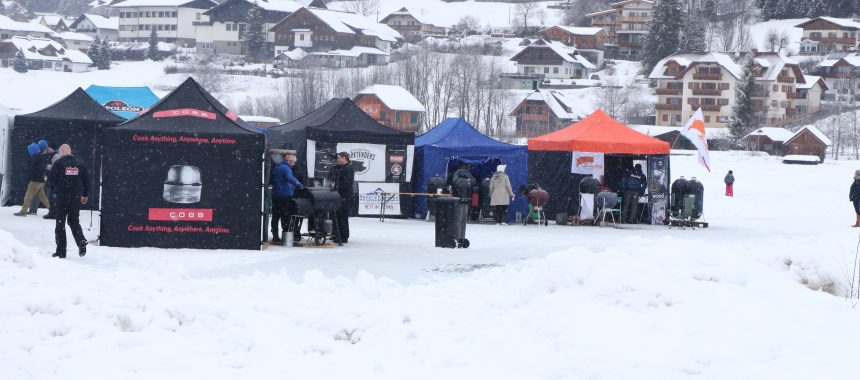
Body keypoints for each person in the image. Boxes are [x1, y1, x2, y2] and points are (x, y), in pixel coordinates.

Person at [48, 144, 88, 258]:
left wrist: (54, 190)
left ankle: (61, 251)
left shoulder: (58, 163)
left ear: (61, 151)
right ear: (70, 152)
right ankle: (81, 240)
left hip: (62, 197)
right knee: (74, 221)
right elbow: (86, 180)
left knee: (60, 223)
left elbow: (51, 180)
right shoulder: (79, 163)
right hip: (75, 198)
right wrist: (85, 195)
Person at [271, 153, 304, 245]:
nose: (294, 164)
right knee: (285, 216)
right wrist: (300, 185)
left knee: (275, 216)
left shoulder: (278, 167)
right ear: (289, 161)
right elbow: (291, 179)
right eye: (294, 162)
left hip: (276, 195)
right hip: (284, 196)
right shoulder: (285, 168)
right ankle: (285, 236)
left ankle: (275, 235)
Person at [15, 140, 52, 216]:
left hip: (35, 180)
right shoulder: (41, 157)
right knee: (43, 197)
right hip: (40, 180)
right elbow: (42, 168)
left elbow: (33, 169)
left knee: (28, 196)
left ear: (32, 151)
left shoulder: (36, 157)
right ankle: (53, 210)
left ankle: (23, 212)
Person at [330, 152, 355, 243]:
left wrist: (336, 185)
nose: (337, 160)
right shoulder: (342, 168)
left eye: (339, 158)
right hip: (341, 196)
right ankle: (338, 234)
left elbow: (348, 183)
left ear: (345, 158)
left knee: (343, 217)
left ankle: (343, 236)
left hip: (345, 196)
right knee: (338, 216)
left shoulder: (348, 168)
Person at [41, 143, 61, 219]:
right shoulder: (54, 155)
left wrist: (47, 166)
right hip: (53, 180)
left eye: (49, 148)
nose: (47, 149)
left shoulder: (56, 156)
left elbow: (55, 168)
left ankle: (53, 213)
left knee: (51, 197)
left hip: (54, 180)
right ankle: (52, 212)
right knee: (51, 197)